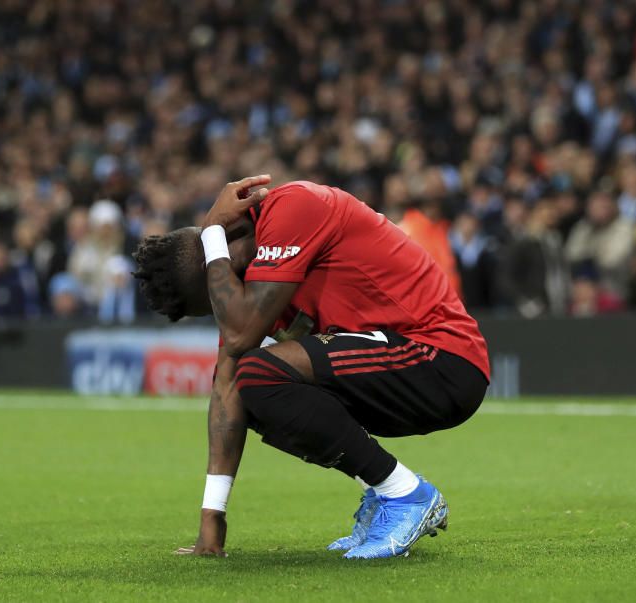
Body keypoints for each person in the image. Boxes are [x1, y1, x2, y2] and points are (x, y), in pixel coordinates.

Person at [133, 177, 489, 559]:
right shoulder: (255, 271)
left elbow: (239, 334)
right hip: (396, 370)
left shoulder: (294, 206)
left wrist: (213, 236)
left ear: (220, 257)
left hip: (442, 357)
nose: (226, 303)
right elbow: (225, 385)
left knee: (259, 371)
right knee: (245, 382)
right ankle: (386, 490)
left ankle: (405, 494)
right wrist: (212, 515)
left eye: (221, 288)